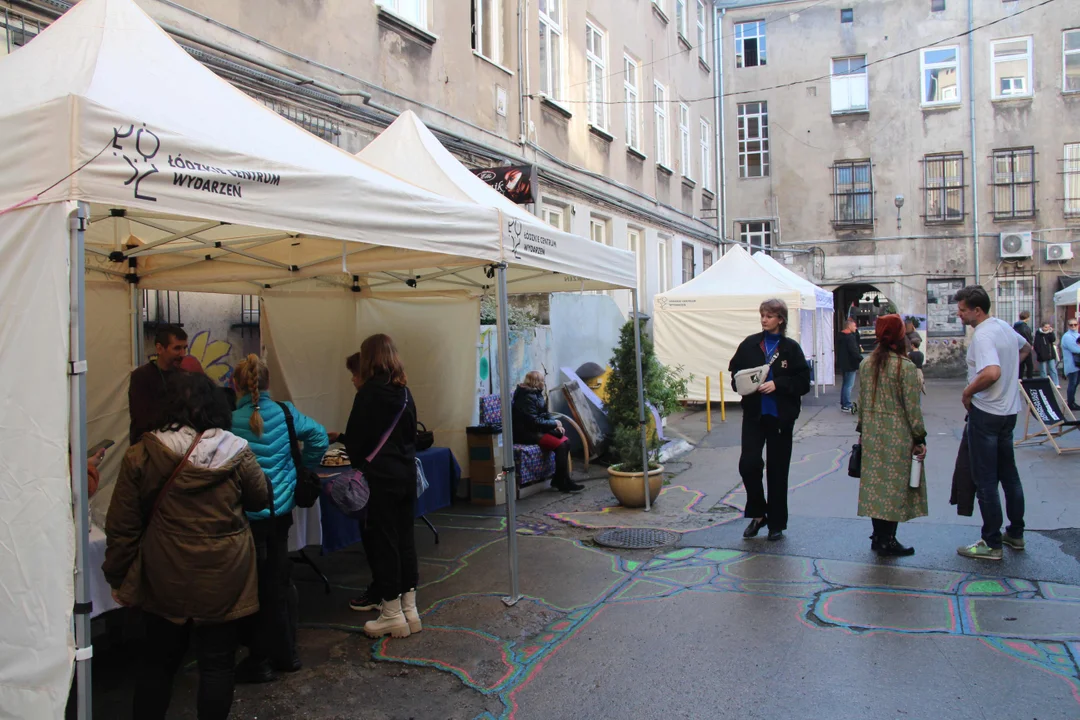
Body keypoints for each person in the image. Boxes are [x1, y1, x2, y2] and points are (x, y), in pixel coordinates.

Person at [103, 372, 269, 720]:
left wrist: (119, 577)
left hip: (166, 572)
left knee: (158, 663)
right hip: (226, 572)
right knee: (218, 664)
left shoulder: (143, 453)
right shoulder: (236, 450)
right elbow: (259, 498)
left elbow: (123, 525)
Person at [230, 354, 328, 681]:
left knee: (255, 587)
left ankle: (259, 659)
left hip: (248, 516)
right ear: (267, 383)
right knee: (279, 580)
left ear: (235, 384)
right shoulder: (286, 412)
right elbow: (319, 436)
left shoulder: (229, 420)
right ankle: (287, 653)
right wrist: (305, 468)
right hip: (281, 510)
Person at [331, 335, 421, 638]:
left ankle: (392, 613)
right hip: (406, 475)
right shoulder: (404, 392)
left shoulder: (369, 393)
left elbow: (356, 442)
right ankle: (410, 610)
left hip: (380, 480)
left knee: (383, 544)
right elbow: (412, 436)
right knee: (406, 541)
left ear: (368, 359)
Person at [956, 285, 1032, 561]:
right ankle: (1016, 532)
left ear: (977, 310)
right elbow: (1026, 349)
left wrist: (969, 391)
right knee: (1009, 474)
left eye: (963, 310)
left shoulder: (984, 334)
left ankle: (992, 542)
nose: (959, 314)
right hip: (1008, 412)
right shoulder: (1002, 326)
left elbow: (991, 371)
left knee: (986, 479)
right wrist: (1011, 378)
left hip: (987, 413)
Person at [729, 299, 811, 542]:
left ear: (780, 319)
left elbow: (803, 382)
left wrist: (779, 384)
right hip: (754, 415)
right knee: (749, 464)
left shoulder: (790, 348)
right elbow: (735, 376)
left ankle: (776, 522)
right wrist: (744, 384)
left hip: (780, 418)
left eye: (769, 316)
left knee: (777, 470)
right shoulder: (750, 345)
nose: (764, 319)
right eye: (762, 315)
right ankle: (758, 512)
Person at [856, 315, 928, 557]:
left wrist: (861, 432)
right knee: (895, 488)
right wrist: (919, 438)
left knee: (877, 488)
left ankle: (878, 536)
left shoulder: (867, 365)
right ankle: (888, 539)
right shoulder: (905, 367)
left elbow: (862, 402)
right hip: (898, 435)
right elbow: (912, 408)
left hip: (872, 434)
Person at [512, 371, 583, 493]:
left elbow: (545, 413)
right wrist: (554, 424)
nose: (544, 383)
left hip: (536, 430)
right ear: (536, 382)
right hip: (525, 434)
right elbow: (533, 421)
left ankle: (561, 479)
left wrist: (555, 423)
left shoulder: (536, 394)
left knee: (566, 441)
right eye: (542, 381)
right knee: (560, 445)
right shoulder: (526, 397)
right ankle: (561, 481)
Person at [128, 325, 189, 444]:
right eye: (177, 348)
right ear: (160, 348)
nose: (183, 354)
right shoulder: (141, 376)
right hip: (149, 447)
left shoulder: (185, 376)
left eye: (185, 348)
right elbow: (142, 419)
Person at [837, 317, 862, 414]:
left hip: (844, 363)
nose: (856, 327)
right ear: (849, 326)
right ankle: (846, 404)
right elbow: (854, 351)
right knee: (849, 385)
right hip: (851, 364)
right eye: (854, 325)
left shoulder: (841, 336)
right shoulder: (850, 337)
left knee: (845, 384)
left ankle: (844, 402)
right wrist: (861, 360)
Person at [1034, 321, 1059, 388]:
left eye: (1048, 327)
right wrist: (1039, 353)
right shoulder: (1039, 334)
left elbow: (1053, 339)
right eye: (1045, 327)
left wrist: (1051, 333)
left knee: (1053, 369)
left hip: (1050, 354)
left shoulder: (1049, 333)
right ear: (1042, 327)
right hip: (1042, 355)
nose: (1047, 328)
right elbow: (1036, 345)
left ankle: (1056, 383)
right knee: (1043, 370)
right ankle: (1044, 383)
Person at [1063, 318, 1080, 411]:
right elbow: (1075, 349)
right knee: (1072, 384)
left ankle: (1072, 402)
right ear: (1068, 326)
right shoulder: (1067, 336)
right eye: (1071, 325)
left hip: (1078, 364)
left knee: (1076, 384)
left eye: (1075, 324)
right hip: (1072, 364)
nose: (1073, 326)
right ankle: (1070, 403)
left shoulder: (1077, 335)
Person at [1013, 310, 1035, 380]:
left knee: (1020, 365)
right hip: (1025, 348)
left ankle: (1019, 380)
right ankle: (1029, 381)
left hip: (1018, 348)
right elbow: (1028, 338)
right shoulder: (1025, 327)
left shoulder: (1015, 326)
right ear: (1027, 318)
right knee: (1029, 366)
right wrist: (1031, 345)